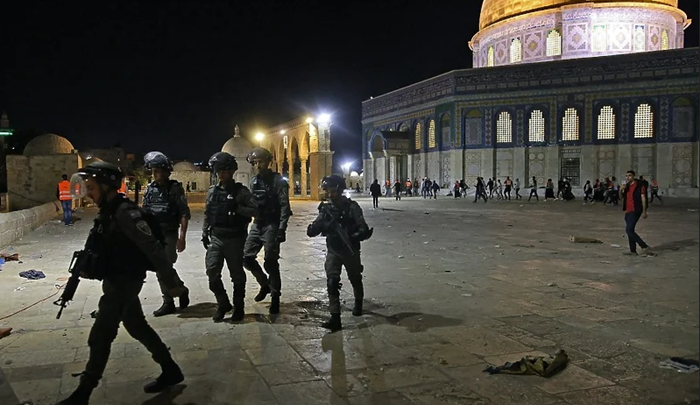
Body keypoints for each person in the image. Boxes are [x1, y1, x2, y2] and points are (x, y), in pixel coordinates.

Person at [55, 162, 185, 405]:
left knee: (101, 333)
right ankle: (170, 369)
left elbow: (153, 248)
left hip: (126, 281)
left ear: (106, 187)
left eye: (92, 188)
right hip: (115, 278)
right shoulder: (109, 210)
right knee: (136, 326)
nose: (89, 194)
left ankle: (83, 393)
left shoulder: (125, 212)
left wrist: (172, 283)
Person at [307, 175, 372, 332]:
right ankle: (335, 317)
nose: (330, 195)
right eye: (327, 191)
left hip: (350, 251)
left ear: (341, 190)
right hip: (334, 251)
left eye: (333, 191)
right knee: (332, 282)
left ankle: (358, 303)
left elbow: (363, 228)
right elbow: (311, 231)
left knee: (355, 279)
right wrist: (324, 225)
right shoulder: (326, 209)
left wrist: (351, 236)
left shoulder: (352, 207)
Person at [202, 152, 258, 322]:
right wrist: (205, 231)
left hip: (235, 238)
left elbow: (255, 210)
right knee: (212, 270)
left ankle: (238, 308)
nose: (222, 174)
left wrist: (238, 209)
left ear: (232, 171)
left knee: (237, 275)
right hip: (217, 237)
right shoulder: (213, 191)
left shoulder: (241, 192)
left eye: (225, 171)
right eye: (219, 171)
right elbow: (208, 212)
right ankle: (223, 303)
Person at [141, 151, 191, 317]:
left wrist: (181, 238)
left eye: (158, 171)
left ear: (166, 172)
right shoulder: (150, 189)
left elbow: (184, 213)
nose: (155, 174)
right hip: (153, 235)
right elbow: (144, 212)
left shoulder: (175, 189)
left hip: (169, 233)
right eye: (153, 171)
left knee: (163, 266)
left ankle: (170, 299)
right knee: (161, 267)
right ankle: (177, 292)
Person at [243, 147, 292, 315]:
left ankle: (275, 296)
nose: (258, 166)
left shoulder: (278, 181)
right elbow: (251, 203)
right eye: (255, 163)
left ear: (268, 162)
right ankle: (264, 284)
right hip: (258, 224)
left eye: (260, 162)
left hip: (272, 224)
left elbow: (285, 207)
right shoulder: (253, 182)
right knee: (246, 257)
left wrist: (281, 229)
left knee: (270, 261)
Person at [620, 170, 652, 256]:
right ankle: (633, 251)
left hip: (636, 210)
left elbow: (643, 198)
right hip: (627, 210)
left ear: (633, 176)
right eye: (626, 176)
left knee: (629, 230)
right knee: (630, 231)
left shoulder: (639, 185)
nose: (627, 177)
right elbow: (621, 198)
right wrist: (620, 190)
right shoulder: (626, 186)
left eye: (629, 176)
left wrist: (644, 211)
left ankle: (644, 246)